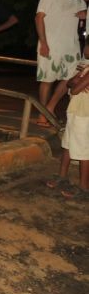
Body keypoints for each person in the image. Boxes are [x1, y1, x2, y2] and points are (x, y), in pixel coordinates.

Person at [35, 0, 88, 127]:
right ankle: (42, 115)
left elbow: (84, 12)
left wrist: (84, 14)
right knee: (47, 80)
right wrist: (43, 42)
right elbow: (39, 17)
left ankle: (50, 108)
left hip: (71, 46)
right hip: (51, 44)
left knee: (71, 77)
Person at [47, 62, 89, 199]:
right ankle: (62, 176)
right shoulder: (87, 66)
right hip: (75, 110)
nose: (85, 50)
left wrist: (78, 82)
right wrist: (78, 81)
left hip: (84, 114)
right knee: (68, 145)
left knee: (83, 151)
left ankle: (84, 187)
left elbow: (75, 89)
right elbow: (70, 83)